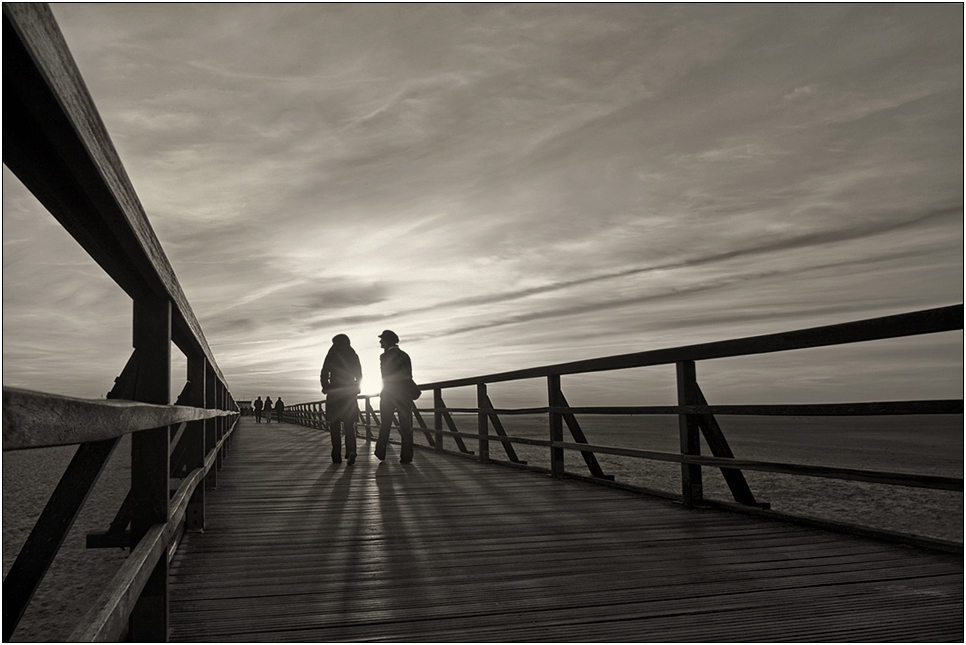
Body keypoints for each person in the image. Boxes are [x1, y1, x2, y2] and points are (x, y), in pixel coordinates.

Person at [374, 330, 417, 464]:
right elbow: (408, 375)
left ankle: (380, 451)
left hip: (389, 394)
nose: (380, 342)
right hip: (404, 394)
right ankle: (407, 456)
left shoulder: (385, 356)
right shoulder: (405, 355)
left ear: (388, 341)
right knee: (405, 426)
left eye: (382, 339)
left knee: (385, 423)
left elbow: (386, 376)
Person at [321, 334, 363, 464]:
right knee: (349, 425)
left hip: (334, 392)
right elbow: (359, 374)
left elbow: (324, 372)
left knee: (334, 426)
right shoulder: (353, 355)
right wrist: (357, 387)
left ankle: (336, 455)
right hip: (349, 392)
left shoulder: (332, 354)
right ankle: (351, 450)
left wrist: (326, 387)